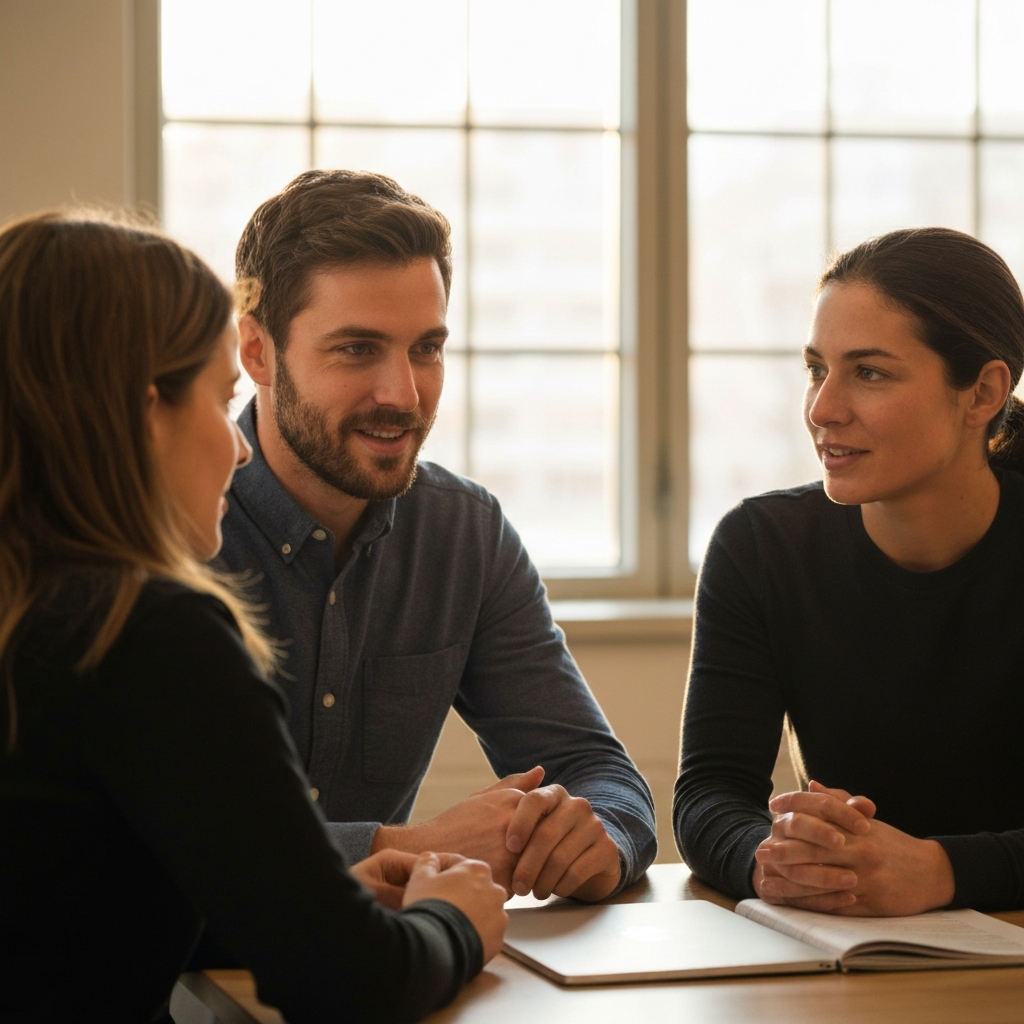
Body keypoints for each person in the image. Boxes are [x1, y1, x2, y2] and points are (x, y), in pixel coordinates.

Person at [0, 211, 508, 1024]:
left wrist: (319, 896)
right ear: (142, 413)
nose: (236, 448)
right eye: (220, 398)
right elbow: (350, 984)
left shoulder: (32, 610)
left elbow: (71, 916)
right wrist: (456, 920)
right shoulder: (148, 632)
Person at [220, 169, 657, 903]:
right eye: (358, 350)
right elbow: (154, 848)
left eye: (426, 348)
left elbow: (597, 772)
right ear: (258, 352)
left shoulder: (463, 533)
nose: (405, 394)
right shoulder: (170, 529)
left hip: (385, 976)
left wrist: (591, 838)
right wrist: (405, 847)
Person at [674, 227, 1024, 916]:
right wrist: (776, 859)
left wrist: (942, 870)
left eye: (869, 372)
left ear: (982, 393)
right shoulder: (761, 548)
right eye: (816, 368)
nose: (822, 409)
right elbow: (710, 792)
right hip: (852, 954)